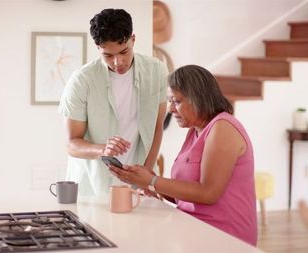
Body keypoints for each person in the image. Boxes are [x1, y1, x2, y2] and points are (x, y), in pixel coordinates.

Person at [109, 65, 257, 246]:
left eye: (176, 101)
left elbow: (208, 193)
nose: (170, 109)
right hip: (194, 227)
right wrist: (152, 184)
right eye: (169, 101)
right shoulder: (195, 131)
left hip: (225, 236)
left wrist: (152, 182)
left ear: (199, 98)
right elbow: (187, 193)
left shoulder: (223, 128)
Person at [58, 9, 168, 196]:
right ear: (98, 47)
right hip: (92, 186)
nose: (118, 62)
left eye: (124, 51)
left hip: (138, 182)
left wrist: (146, 176)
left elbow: (157, 128)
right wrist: (103, 149)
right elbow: (72, 144)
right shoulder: (82, 80)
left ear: (133, 39)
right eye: (108, 55)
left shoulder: (156, 71)